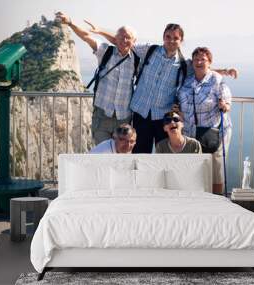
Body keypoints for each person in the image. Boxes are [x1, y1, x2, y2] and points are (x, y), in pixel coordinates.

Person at [85, 22, 237, 153]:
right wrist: (100, 32)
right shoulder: (149, 51)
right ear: (163, 37)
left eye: (175, 38)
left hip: (162, 117)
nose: (171, 41)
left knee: (163, 154)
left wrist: (224, 71)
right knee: (139, 154)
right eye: (168, 37)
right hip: (140, 112)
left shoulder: (184, 64)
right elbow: (123, 42)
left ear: (181, 40)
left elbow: (202, 68)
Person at [56, 12, 139, 145]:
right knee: (102, 154)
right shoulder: (105, 52)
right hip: (102, 116)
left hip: (123, 118)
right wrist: (71, 22)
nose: (124, 40)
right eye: (121, 37)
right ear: (115, 39)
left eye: (128, 38)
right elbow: (86, 36)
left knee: (121, 156)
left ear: (134, 41)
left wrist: (101, 31)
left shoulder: (137, 59)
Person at [177, 47, 232, 195]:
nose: (199, 62)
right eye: (196, 59)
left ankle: (217, 200)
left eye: (203, 59)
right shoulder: (187, 80)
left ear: (210, 62)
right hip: (190, 132)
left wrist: (224, 105)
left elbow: (226, 102)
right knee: (194, 169)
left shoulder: (216, 79)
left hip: (212, 132)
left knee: (215, 169)